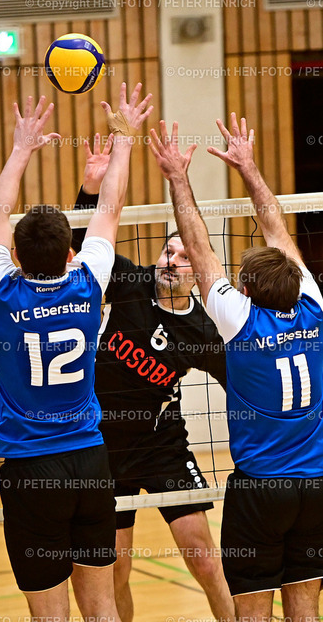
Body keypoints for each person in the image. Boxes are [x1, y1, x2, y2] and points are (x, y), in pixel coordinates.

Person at [0, 83, 152, 622]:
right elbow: (110, 208)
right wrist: (124, 139)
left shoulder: (2, 292)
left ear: (15, 255)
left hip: (31, 471)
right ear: (70, 254)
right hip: (90, 462)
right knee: (100, 608)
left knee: (50, 616)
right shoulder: (88, 283)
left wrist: (22, 148)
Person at [149, 113, 323, 622]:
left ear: (245, 290)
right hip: (316, 485)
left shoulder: (240, 322)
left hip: (260, 491)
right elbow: (277, 228)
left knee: (251, 612)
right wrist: (249, 167)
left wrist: (178, 177)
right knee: (306, 606)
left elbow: (198, 247)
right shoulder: (314, 308)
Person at [72, 136, 234, 622]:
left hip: (162, 445)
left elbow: (244, 383)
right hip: (105, 446)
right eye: (167, 251)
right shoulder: (129, 283)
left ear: (197, 272)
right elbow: (84, 242)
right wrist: (90, 187)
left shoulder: (203, 330)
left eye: (183, 257)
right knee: (116, 569)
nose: (169, 261)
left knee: (203, 558)